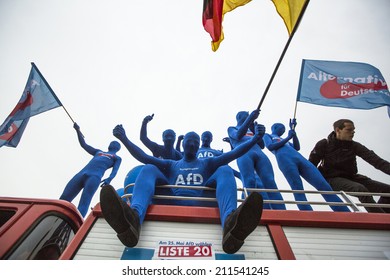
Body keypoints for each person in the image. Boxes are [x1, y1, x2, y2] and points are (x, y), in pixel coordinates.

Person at [100, 122, 266, 254]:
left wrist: (253, 139)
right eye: (189, 140)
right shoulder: (171, 164)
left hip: (201, 199)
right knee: (149, 167)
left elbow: (234, 154)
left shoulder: (207, 163)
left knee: (225, 169)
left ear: (199, 145)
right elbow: (143, 156)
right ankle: (133, 219)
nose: (192, 143)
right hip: (173, 199)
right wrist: (124, 139)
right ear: (184, 143)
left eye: (196, 141)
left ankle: (231, 224)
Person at [263, 119, 349, 212]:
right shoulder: (268, 135)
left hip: (300, 159)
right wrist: (288, 137)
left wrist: (293, 133)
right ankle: (308, 212)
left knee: (324, 186)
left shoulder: (285, 141)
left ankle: (344, 211)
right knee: (298, 188)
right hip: (285, 160)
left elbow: (296, 147)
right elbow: (270, 146)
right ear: (275, 127)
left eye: (284, 129)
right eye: (281, 127)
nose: (283, 130)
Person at [309, 119, 390, 213]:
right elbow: (310, 166)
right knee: (361, 190)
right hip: (332, 178)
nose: (352, 133)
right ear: (338, 130)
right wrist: (319, 183)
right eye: (349, 130)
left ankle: (384, 216)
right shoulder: (324, 144)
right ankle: (379, 218)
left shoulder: (354, 146)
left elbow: (377, 161)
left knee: (388, 190)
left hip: (351, 177)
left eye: (353, 130)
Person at [60, 123, 122, 217]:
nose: (113, 143)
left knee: (85, 201)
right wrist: (78, 130)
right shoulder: (98, 152)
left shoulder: (116, 157)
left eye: (116, 143)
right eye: (112, 142)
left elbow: (115, 170)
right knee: (65, 197)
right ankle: (58, 213)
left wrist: (109, 178)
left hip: (94, 177)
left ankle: (78, 223)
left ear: (118, 148)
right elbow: (84, 145)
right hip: (81, 174)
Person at [228, 109, 284, 210]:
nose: (249, 116)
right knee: (249, 180)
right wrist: (250, 119)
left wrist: (258, 133)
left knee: (270, 181)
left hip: (259, 153)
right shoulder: (232, 128)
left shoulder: (251, 130)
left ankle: (280, 210)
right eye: (247, 115)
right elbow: (238, 135)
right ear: (240, 117)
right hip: (244, 154)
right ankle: (250, 210)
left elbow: (262, 145)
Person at [223, 136, 286, 210]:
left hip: (264, 196)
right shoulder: (243, 175)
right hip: (249, 194)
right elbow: (234, 160)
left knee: (267, 208)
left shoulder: (261, 175)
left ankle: (279, 212)